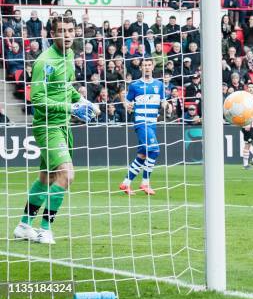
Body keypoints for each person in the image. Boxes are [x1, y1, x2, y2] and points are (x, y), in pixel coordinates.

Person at [14, 14, 99, 245]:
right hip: (47, 126)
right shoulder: (44, 62)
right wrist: (70, 107)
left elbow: (65, 88)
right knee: (67, 174)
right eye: (61, 31)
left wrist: (83, 102)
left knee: (47, 177)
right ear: (52, 35)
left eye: (71, 30)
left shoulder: (70, 55)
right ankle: (44, 229)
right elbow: (37, 98)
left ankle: (23, 226)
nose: (67, 35)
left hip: (63, 125)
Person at [119, 56, 167, 195]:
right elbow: (127, 101)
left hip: (152, 123)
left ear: (152, 67)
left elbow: (163, 101)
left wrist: (167, 105)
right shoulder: (135, 85)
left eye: (149, 65)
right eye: (144, 65)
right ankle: (145, 183)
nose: (146, 67)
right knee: (155, 150)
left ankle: (126, 183)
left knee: (142, 155)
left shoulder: (159, 85)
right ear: (141, 68)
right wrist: (127, 105)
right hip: (141, 122)